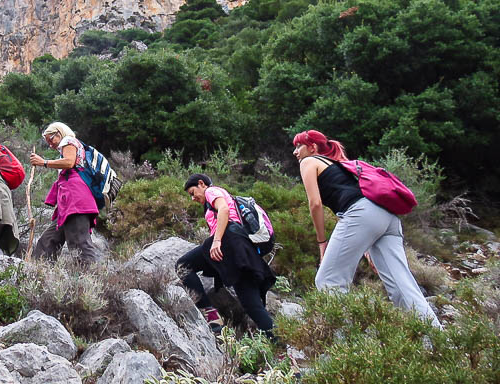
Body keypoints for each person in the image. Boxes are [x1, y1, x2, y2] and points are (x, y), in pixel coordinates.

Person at [292, 129, 441, 327]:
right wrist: (368, 247)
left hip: (362, 214)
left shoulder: (309, 162)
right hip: (387, 216)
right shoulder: (338, 165)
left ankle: (345, 340)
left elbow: (315, 204)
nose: (295, 152)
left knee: (328, 281)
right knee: (402, 286)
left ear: (312, 147)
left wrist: (322, 242)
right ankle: (436, 338)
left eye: (298, 146)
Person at [177, 174, 276, 337]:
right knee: (252, 305)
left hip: (229, 245)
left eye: (193, 193)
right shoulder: (215, 198)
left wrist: (216, 241)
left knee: (183, 266)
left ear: (201, 184)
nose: (193, 198)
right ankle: (278, 343)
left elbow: (224, 209)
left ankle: (211, 316)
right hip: (241, 252)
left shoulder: (211, 191)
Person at [29, 122, 100, 263]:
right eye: (48, 142)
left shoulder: (68, 141)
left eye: (51, 139)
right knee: (50, 240)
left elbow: (69, 162)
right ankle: (38, 268)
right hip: (70, 203)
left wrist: (44, 162)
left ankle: (91, 273)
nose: (51, 145)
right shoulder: (73, 146)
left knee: (80, 242)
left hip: (76, 200)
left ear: (59, 133)